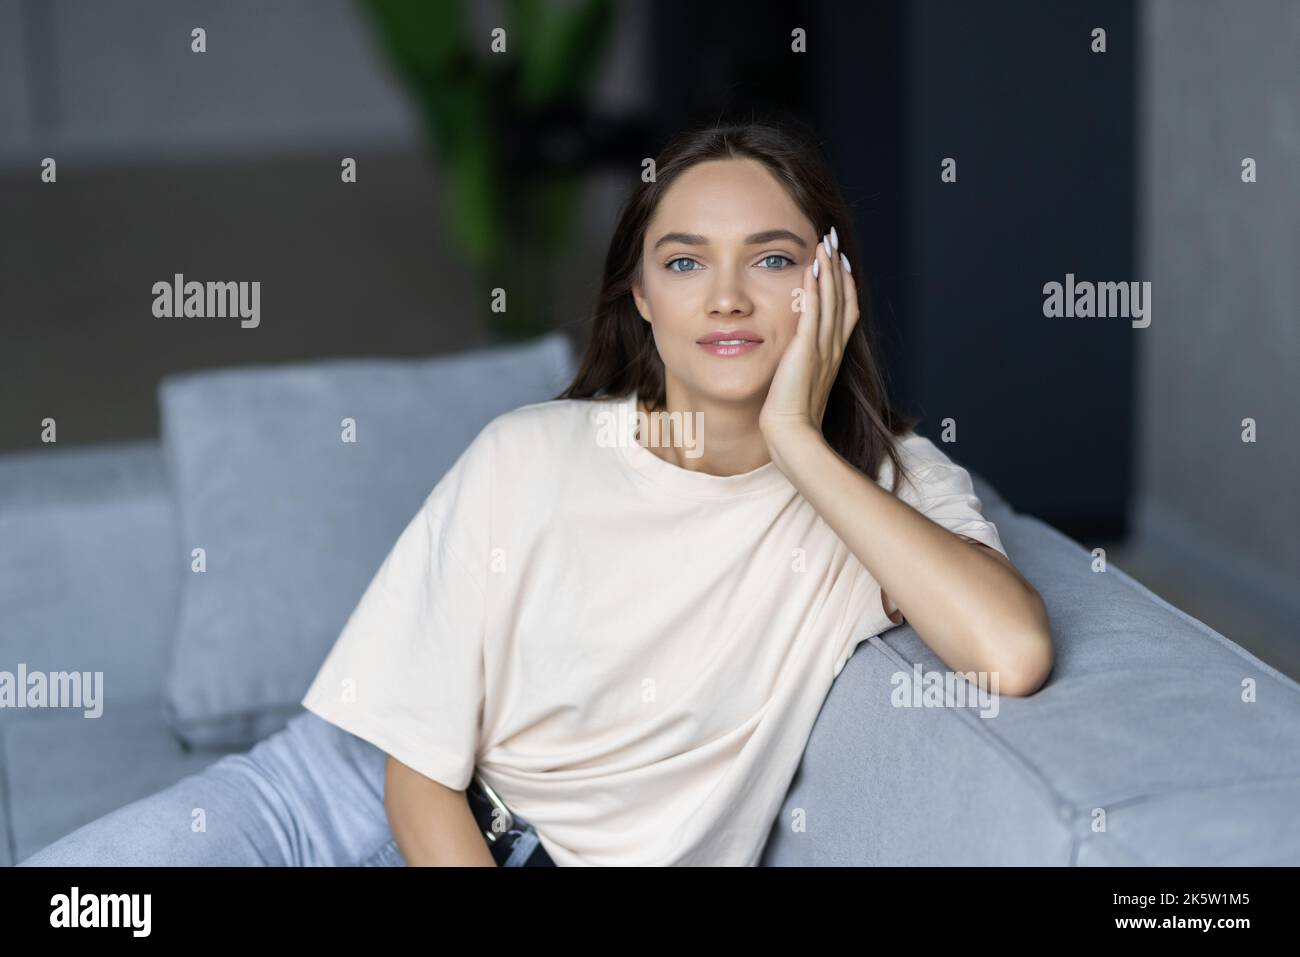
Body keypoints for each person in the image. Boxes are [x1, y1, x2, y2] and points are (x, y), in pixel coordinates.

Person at [20, 119, 1052, 868]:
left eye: (771, 259)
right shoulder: (531, 454)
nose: (728, 297)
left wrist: (795, 442)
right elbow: (416, 776)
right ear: (642, 299)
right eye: (685, 261)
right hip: (332, 801)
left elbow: (1009, 651)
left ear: (830, 284)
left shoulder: (885, 485)